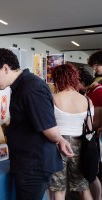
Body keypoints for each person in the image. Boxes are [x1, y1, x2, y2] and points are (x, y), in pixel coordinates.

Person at [0, 48, 73, 200]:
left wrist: (59, 138)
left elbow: (49, 130)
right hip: (28, 161)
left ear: (5, 68)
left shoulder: (31, 88)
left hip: (33, 164)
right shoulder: (22, 86)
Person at [48, 64, 93, 200]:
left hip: (56, 144)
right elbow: (90, 128)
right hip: (80, 144)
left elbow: (48, 124)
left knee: (58, 189)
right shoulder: (86, 100)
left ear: (58, 79)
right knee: (83, 187)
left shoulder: (53, 98)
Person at [79, 66, 102, 200]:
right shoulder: (88, 92)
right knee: (90, 172)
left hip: (95, 137)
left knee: (93, 173)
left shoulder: (98, 91)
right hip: (90, 135)